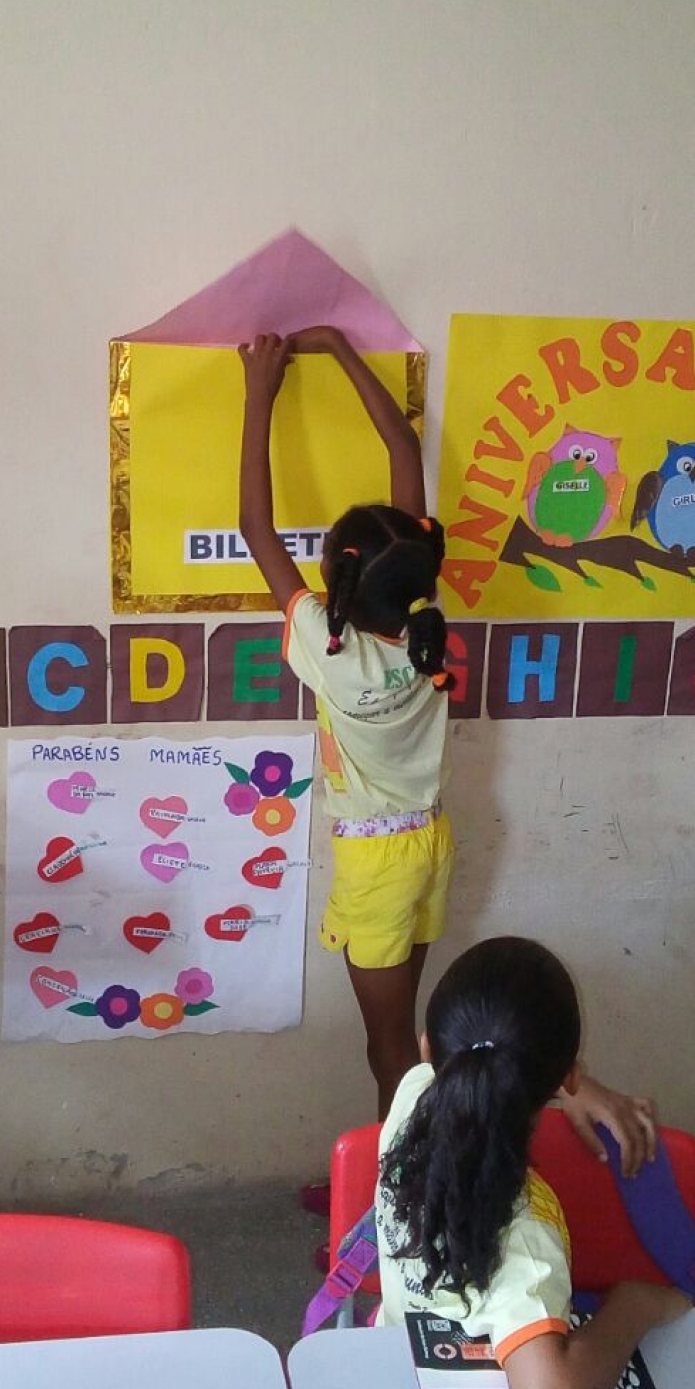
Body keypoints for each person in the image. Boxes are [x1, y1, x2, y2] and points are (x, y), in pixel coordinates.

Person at [238, 324, 454, 1120]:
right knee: (403, 1036)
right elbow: (404, 448)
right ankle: (411, 1167)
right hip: (430, 842)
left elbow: (254, 528)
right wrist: (339, 347)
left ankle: (399, 1181)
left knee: (390, 1048)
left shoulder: (334, 655)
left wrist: (259, 392)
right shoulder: (423, 617)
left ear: (339, 581)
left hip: (376, 864)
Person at [376, 936, 691, 1389]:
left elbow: (481, 1067)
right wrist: (636, 1306)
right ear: (567, 1075)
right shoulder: (522, 1239)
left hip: (388, 1369)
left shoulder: (411, 1098)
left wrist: (568, 1084)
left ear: (427, 1047)